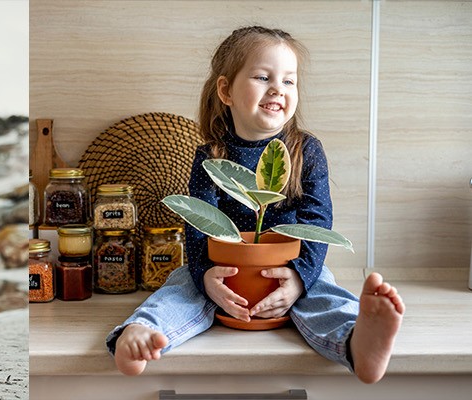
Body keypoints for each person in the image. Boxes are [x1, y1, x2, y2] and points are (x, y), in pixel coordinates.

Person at [106, 26, 404, 384]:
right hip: (225, 273)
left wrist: (298, 279)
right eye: (263, 77)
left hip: (285, 269)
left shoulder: (305, 151)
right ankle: (141, 333)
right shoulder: (211, 157)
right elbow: (200, 223)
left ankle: (357, 342)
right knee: (179, 285)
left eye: (289, 81)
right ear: (226, 90)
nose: (278, 88)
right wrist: (205, 276)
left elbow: (317, 221)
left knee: (322, 290)